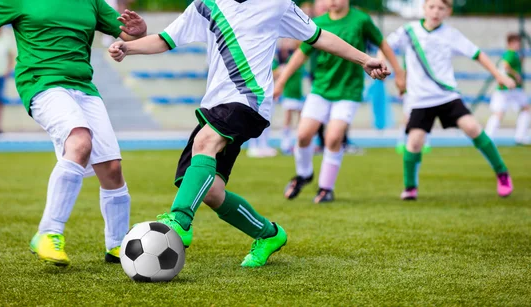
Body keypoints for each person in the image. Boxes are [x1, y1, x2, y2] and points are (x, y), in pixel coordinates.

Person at [109, 0, 389, 267]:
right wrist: (127, 47)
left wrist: (364, 59)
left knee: (204, 141)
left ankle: (179, 221)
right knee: (212, 192)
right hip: (215, 105)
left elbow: (318, 36)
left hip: (250, 101)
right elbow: (165, 39)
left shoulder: (277, 5)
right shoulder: (206, 5)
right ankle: (268, 234)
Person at [0, 0, 148, 267]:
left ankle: (117, 244)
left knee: (111, 166)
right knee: (80, 141)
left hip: (83, 87)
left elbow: (126, 32)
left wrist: (139, 30)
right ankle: (48, 232)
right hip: (42, 83)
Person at [276, 0, 405, 204]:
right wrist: (281, 82)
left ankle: (326, 188)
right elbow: (300, 55)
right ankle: (304, 174)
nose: (332, 1)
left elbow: (383, 44)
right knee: (302, 135)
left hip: (348, 91)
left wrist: (399, 72)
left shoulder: (360, 20)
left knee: (333, 138)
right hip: (320, 89)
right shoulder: (316, 23)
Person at [385, 0, 516, 200]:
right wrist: (392, 69)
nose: (436, 12)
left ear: (448, 11)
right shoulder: (408, 31)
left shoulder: (451, 35)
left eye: (441, 8)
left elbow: (478, 54)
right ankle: (410, 187)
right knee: (414, 143)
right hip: (420, 100)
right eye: (432, 7)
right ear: (424, 8)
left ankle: (502, 173)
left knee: (473, 128)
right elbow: (384, 46)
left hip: (447, 96)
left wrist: (499, 76)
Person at [485, 33, 529, 145]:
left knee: (526, 108)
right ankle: (488, 137)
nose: (518, 44)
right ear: (510, 43)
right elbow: (504, 66)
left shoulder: (514, 54)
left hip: (514, 89)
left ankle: (520, 137)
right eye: (516, 42)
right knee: (499, 113)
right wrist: (515, 75)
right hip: (507, 88)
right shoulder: (510, 54)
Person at [274, 38, 306, 155]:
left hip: (298, 94)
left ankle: (299, 144)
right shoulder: (286, 60)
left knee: (301, 119)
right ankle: (285, 144)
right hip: (289, 93)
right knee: (288, 119)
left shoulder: (299, 58)